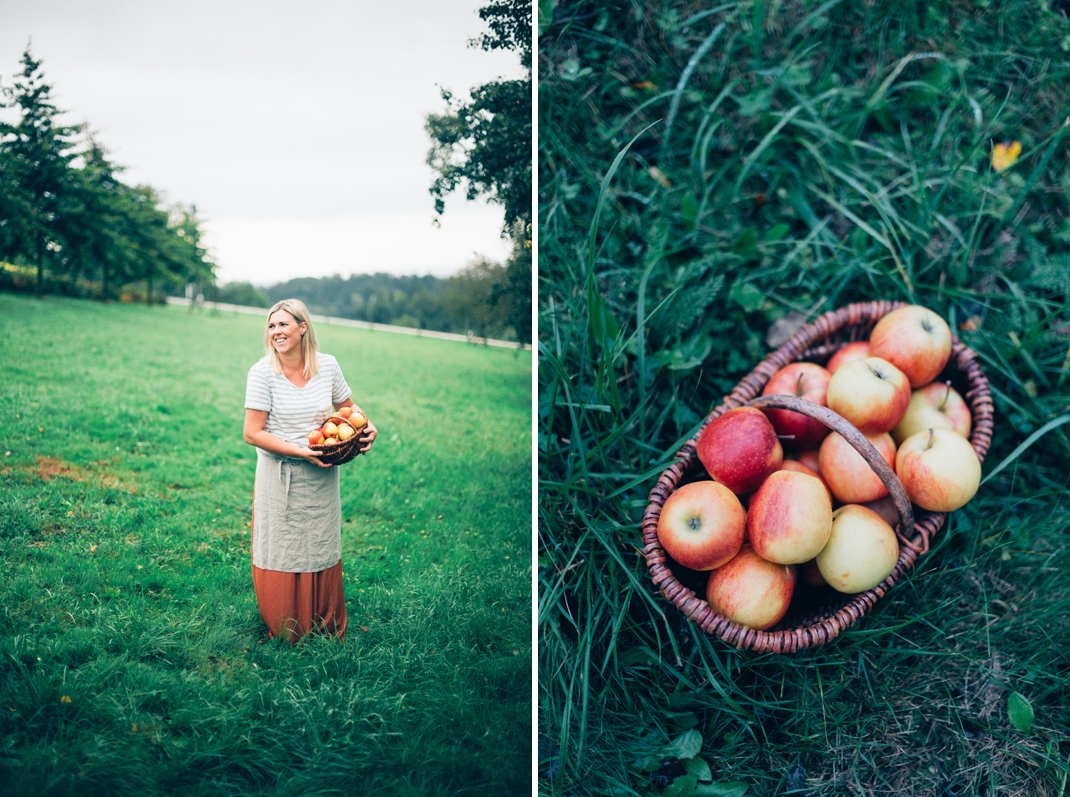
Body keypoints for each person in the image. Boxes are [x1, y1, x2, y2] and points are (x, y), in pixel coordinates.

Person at [242, 298, 377, 643]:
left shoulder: (327, 366)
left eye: (283, 324)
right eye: (271, 326)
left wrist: (366, 426)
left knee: (319, 544)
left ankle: (324, 620)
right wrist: (301, 452)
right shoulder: (262, 373)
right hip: (280, 474)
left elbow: (348, 408)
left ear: (303, 327)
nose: (276, 332)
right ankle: (287, 623)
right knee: (283, 547)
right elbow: (252, 433)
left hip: (322, 474)